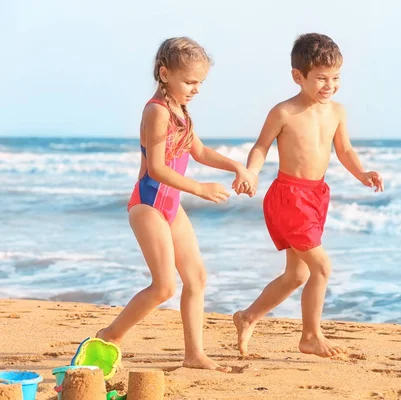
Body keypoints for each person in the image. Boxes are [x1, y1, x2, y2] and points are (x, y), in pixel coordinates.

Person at [95, 37, 257, 372]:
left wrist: (237, 166)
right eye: (190, 81)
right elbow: (156, 168)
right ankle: (110, 335)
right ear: (164, 73)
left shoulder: (181, 110)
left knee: (196, 277)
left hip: (171, 207)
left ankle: (194, 354)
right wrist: (199, 188)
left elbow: (198, 152)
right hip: (148, 205)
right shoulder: (156, 111)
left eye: (201, 82)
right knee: (165, 285)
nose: (196, 89)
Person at [234, 33, 384, 358]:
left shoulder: (337, 112)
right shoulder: (284, 112)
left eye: (335, 78)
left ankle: (248, 317)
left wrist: (361, 173)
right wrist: (251, 172)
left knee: (296, 274)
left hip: (316, 196)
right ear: (298, 76)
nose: (329, 85)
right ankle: (311, 336)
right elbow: (261, 147)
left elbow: (344, 149)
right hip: (288, 196)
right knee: (321, 268)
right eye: (320, 79)